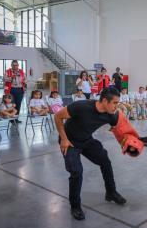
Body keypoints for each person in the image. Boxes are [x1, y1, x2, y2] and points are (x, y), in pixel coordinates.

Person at [54, 88, 129, 220]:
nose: (117, 106)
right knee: (76, 172)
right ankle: (75, 206)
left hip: (86, 140)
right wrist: (64, 139)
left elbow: (118, 128)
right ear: (105, 100)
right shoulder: (81, 106)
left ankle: (111, 192)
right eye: (115, 103)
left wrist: (127, 142)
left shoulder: (111, 114)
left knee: (105, 161)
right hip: (69, 142)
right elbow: (58, 116)